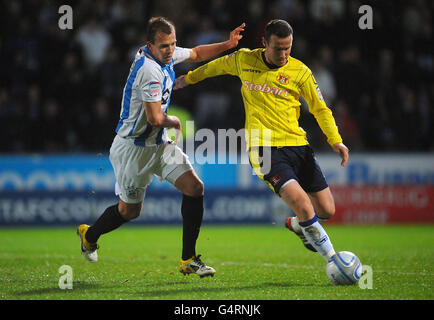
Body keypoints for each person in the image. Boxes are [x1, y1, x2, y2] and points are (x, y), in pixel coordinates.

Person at [77, 17, 245, 278]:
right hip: (133, 150)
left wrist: (229, 43)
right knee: (129, 212)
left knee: (195, 187)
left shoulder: (163, 54)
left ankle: (188, 259)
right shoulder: (149, 71)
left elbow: (197, 53)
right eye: (165, 46)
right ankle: (90, 235)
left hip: (158, 143)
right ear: (150, 45)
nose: (170, 50)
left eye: (173, 44)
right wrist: (176, 120)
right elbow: (155, 118)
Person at [175, 19, 349, 262]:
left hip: (298, 145)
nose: (284, 54)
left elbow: (320, 109)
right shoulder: (245, 59)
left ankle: (299, 226)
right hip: (264, 150)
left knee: (326, 210)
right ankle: (335, 260)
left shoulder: (300, 72)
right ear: (265, 42)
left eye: (288, 48)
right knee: (304, 205)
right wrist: (190, 78)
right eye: (278, 48)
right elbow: (216, 67)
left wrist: (336, 140)